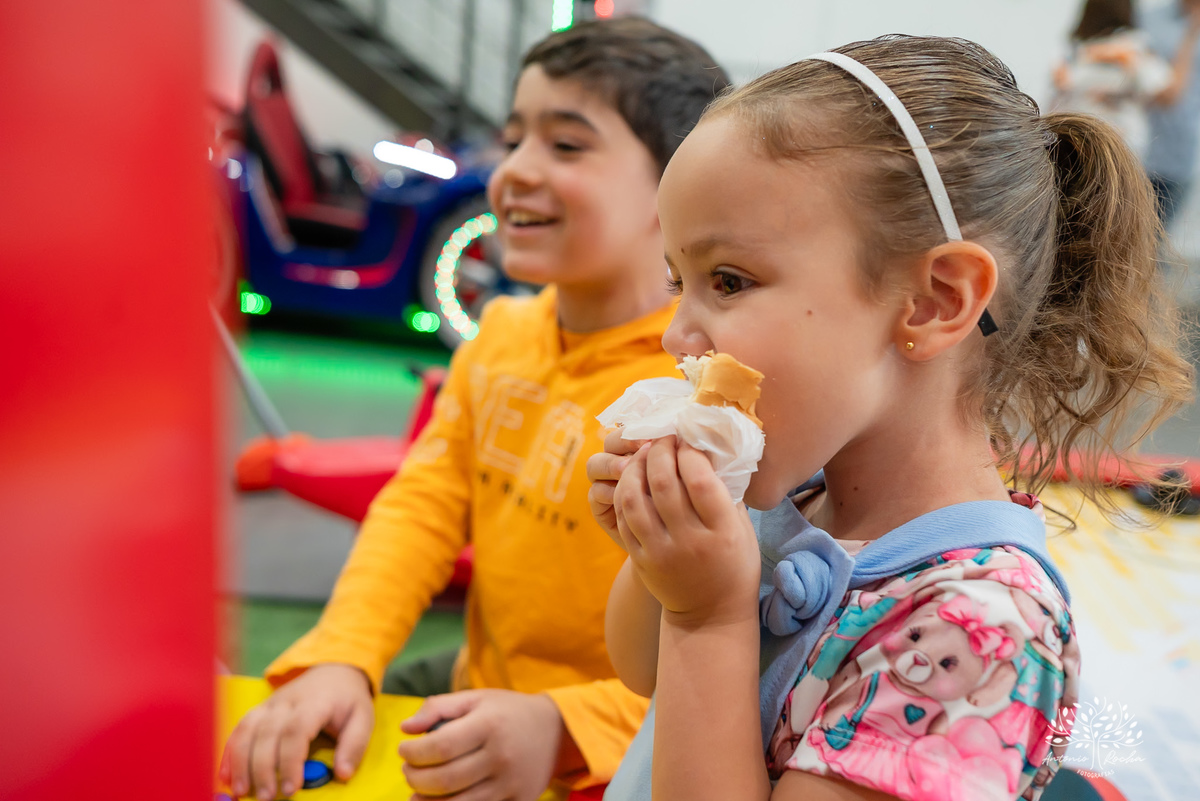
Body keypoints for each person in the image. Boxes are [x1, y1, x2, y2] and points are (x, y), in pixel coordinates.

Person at [587, 34, 1193, 801]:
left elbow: (696, 643)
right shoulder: (799, 489)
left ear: (935, 301)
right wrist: (658, 563)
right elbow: (643, 671)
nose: (678, 333)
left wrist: (707, 618)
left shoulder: (979, 629)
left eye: (728, 280)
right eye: (681, 282)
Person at [219, 18, 730, 801]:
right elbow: (423, 503)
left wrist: (563, 725)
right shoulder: (502, 334)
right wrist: (342, 653)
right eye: (514, 136)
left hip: (626, 755)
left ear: (680, 187)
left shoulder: (702, 396)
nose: (513, 171)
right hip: (473, 691)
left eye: (566, 145)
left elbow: (745, 664)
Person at [1051, 0, 1171, 158]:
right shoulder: (1077, 49)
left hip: (1113, 140)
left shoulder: (1134, 46)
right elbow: (1161, 86)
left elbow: (1159, 85)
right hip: (1085, 141)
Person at [1142, 0, 1200, 227]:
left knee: (1159, 240)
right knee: (1135, 241)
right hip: (1140, 150)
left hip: (1184, 155)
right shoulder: (1149, 19)